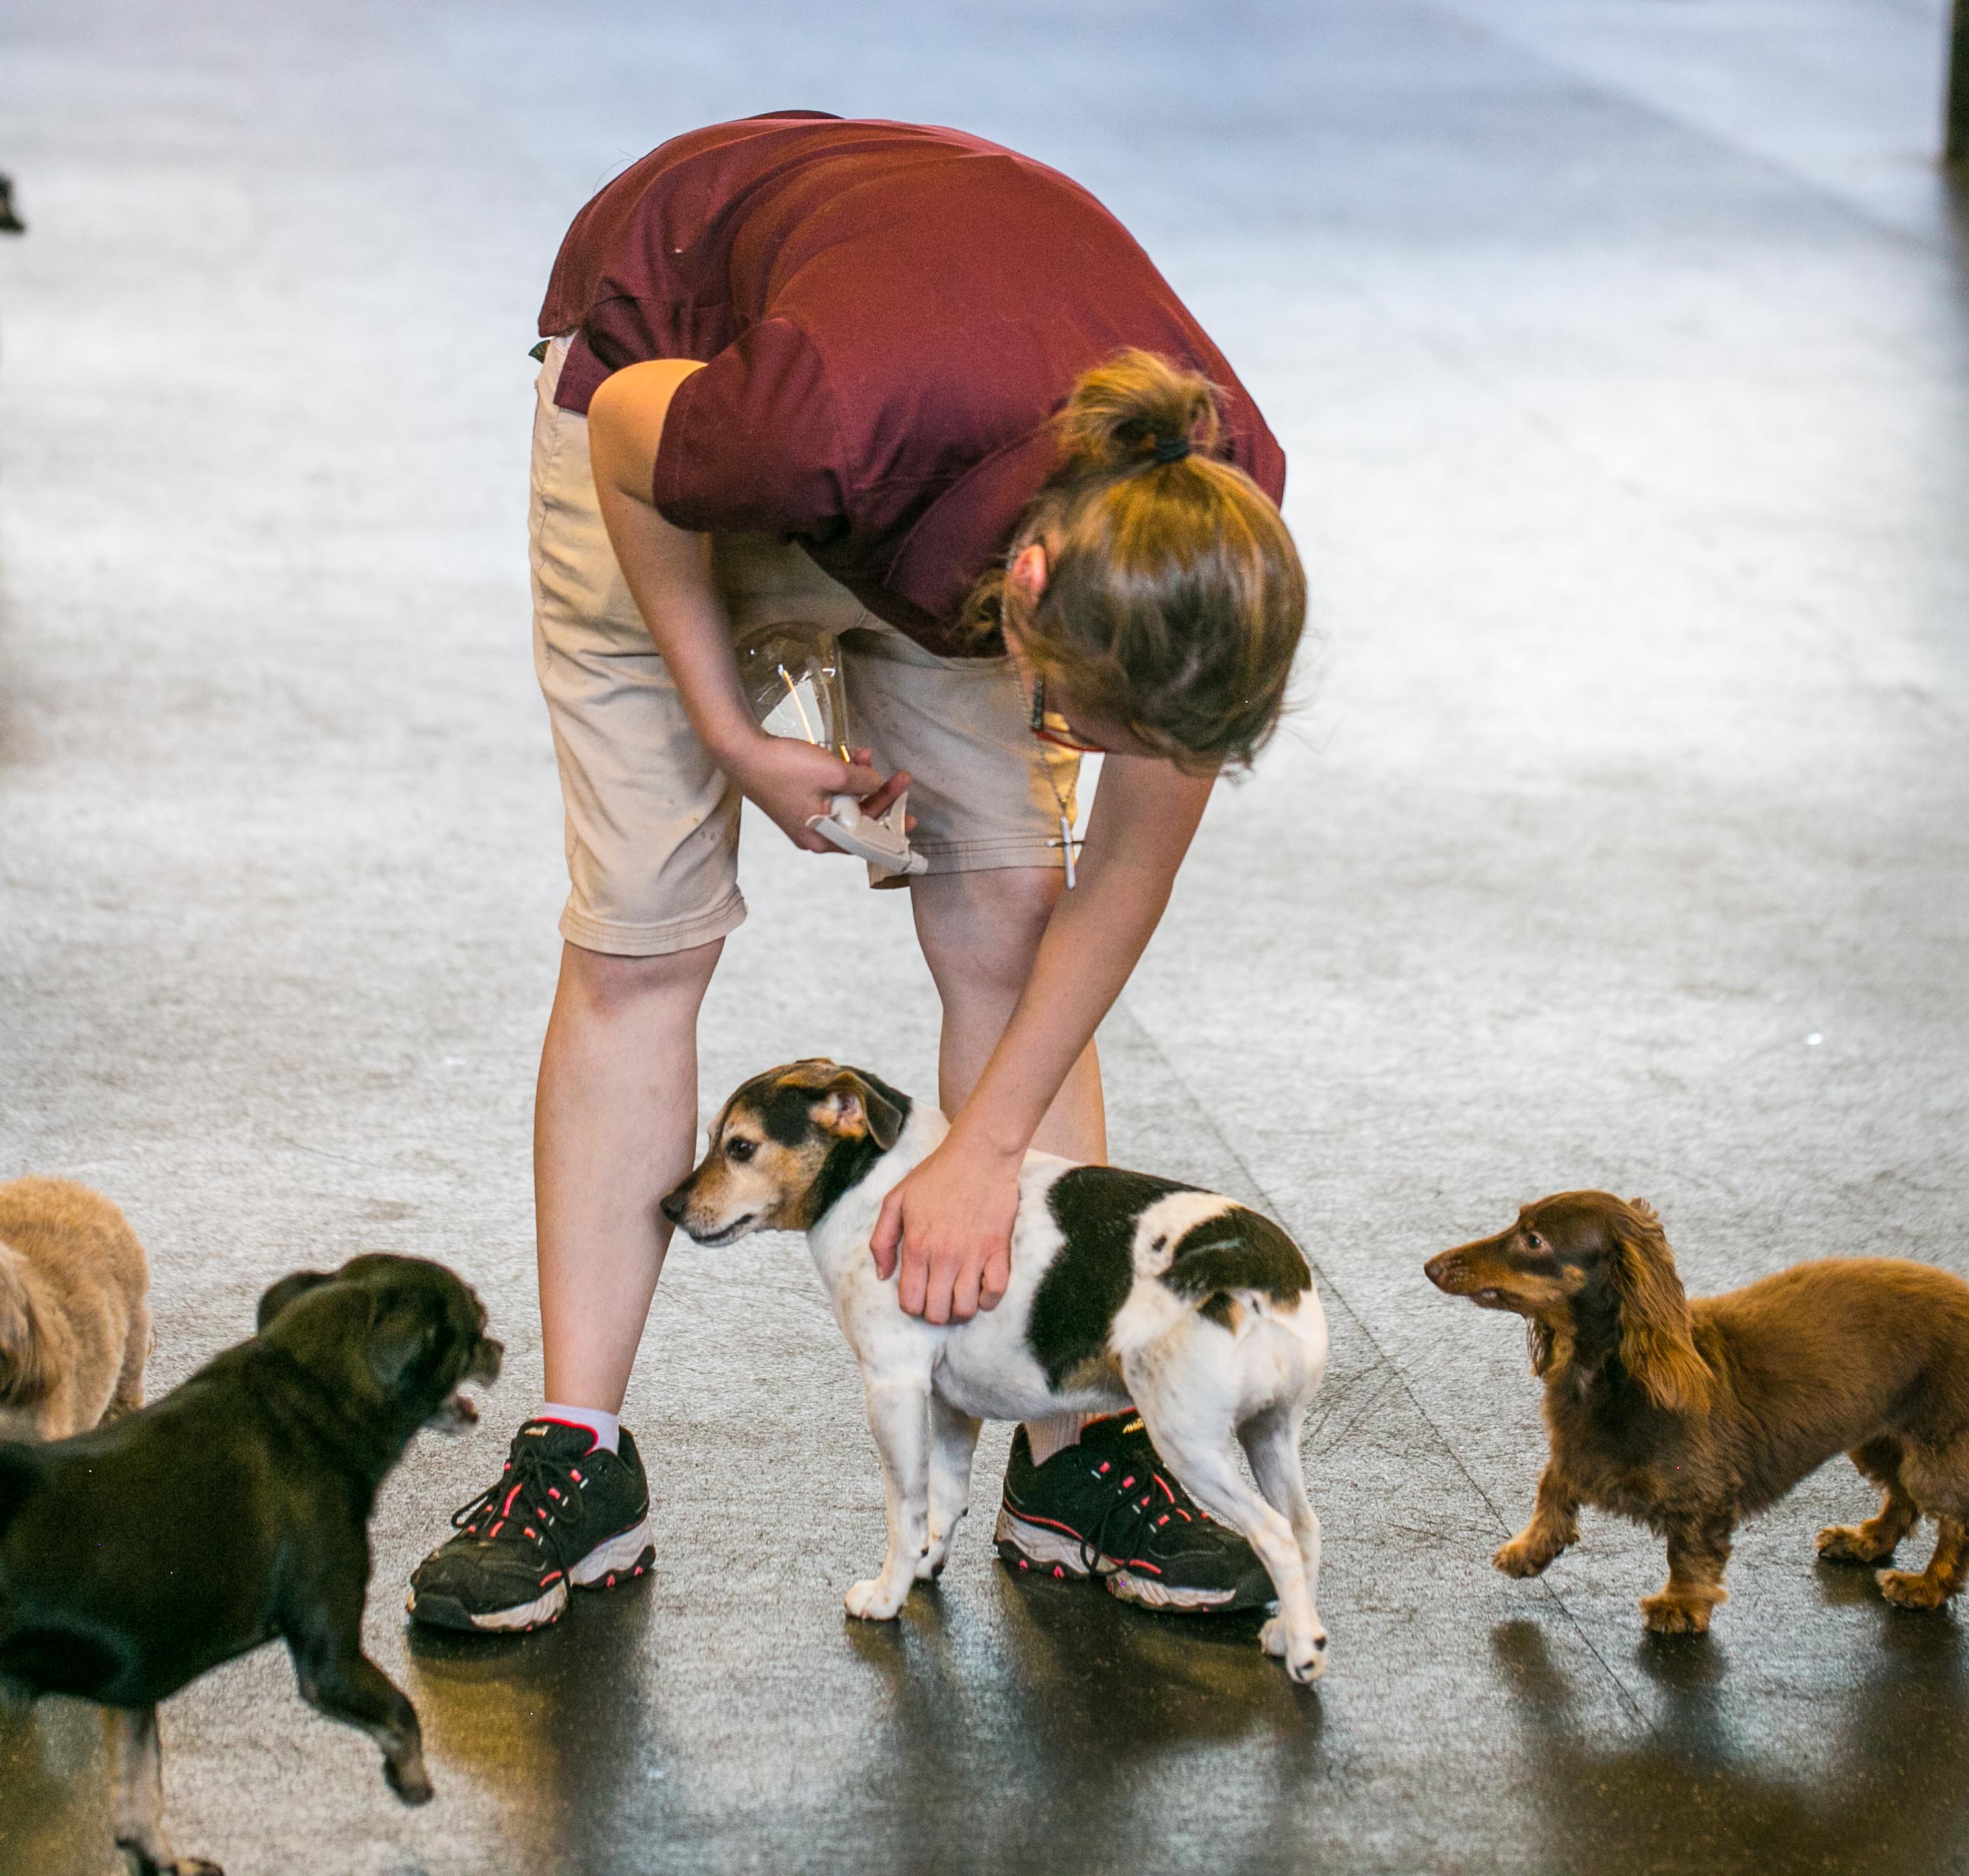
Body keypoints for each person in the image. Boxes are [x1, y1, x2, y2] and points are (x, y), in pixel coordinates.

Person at [406, 112, 1306, 1633]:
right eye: (1071, 713)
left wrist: (981, 1152)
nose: (1080, 746)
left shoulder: (1202, 536)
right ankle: (578, 1460)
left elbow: (1125, 882)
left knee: (1013, 916)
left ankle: (1075, 1446)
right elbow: (635, 435)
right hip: (670, 376)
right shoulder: (808, 415)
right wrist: (731, 732)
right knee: (642, 943)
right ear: (1022, 593)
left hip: (945, 406)